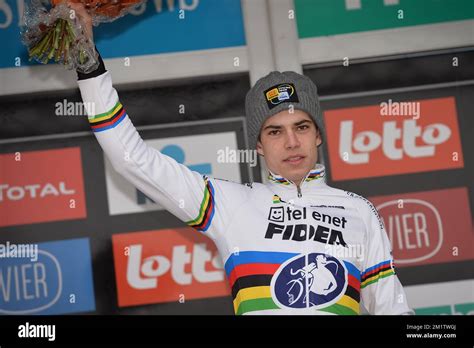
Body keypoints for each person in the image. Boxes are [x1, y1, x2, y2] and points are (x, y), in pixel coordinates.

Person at [71, 2, 414, 315]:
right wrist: (86, 59)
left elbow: (394, 310)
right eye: (275, 131)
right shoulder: (230, 204)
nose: (292, 142)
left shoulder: (360, 212)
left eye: (302, 127)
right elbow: (131, 159)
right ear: (260, 145)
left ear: (319, 134)